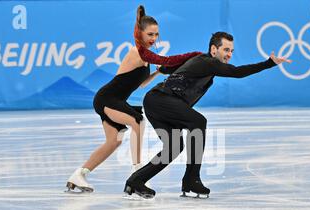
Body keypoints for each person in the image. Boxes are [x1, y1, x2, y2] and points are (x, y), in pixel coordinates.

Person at [124, 31, 292, 199]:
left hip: (156, 102)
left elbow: (173, 69)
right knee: (198, 122)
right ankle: (191, 180)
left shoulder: (204, 65)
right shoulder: (207, 62)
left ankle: (136, 180)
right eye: (226, 50)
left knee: (174, 147)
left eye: (232, 51)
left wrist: (163, 70)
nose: (229, 55)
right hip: (160, 100)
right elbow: (237, 72)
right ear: (213, 49)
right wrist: (268, 63)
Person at [66, 5, 201, 193]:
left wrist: (156, 73)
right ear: (140, 33)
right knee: (137, 121)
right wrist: (194, 55)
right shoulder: (137, 52)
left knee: (113, 142)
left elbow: (141, 84)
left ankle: (79, 174)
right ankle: (137, 171)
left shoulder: (144, 56)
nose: (154, 39)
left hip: (113, 101)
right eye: (150, 35)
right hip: (107, 99)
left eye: (156, 35)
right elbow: (168, 60)